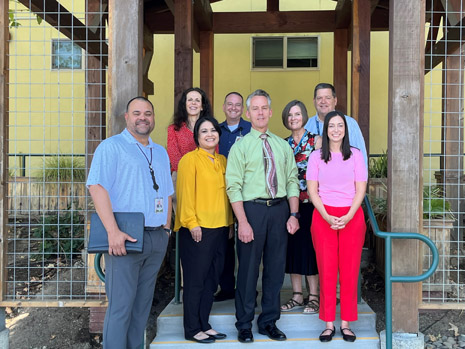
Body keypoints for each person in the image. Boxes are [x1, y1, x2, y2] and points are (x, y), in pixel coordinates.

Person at [87, 96, 173, 349]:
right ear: (127, 117)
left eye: (148, 113)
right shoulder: (111, 147)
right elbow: (97, 187)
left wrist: (166, 230)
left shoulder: (160, 152)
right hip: (124, 238)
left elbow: (167, 193)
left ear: (153, 118)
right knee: (121, 309)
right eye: (137, 113)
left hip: (156, 238)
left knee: (141, 310)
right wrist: (113, 232)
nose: (143, 117)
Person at [226, 89, 300, 343]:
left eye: (264, 108)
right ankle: (244, 324)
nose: (259, 112)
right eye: (254, 108)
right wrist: (243, 222)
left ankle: (269, 321)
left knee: (275, 270)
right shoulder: (241, 147)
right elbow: (233, 186)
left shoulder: (282, 146)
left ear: (270, 111)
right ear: (248, 114)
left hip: (280, 211)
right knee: (247, 271)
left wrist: (293, 214)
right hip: (252, 211)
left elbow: (292, 181)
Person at [307, 110, 367, 343]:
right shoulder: (315, 157)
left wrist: (350, 214)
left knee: (350, 271)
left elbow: (360, 188)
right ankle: (329, 323)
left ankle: (346, 323)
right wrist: (327, 215)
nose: (335, 130)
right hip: (324, 216)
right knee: (327, 270)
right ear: (326, 129)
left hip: (352, 216)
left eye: (339, 125)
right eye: (331, 126)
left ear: (346, 129)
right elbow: (312, 191)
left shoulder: (355, 155)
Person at [175, 116, 233, 344]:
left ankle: (204, 324)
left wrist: (229, 224)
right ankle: (192, 328)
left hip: (220, 229)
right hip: (198, 229)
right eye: (204, 131)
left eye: (213, 130)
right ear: (197, 137)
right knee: (195, 280)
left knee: (211, 281)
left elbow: (227, 196)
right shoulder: (190, 160)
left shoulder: (222, 160)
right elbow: (185, 194)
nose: (210, 134)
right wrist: (191, 222)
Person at [280, 100, 320, 315]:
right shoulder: (283, 144)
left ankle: (313, 296)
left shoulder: (317, 141)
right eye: (290, 114)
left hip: (312, 203)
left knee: (310, 249)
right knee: (293, 249)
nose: (293, 118)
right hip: (290, 204)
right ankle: (296, 295)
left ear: (304, 116)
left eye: (297, 114)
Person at [215, 92, 252, 302]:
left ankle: (247, 288)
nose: (233, 108)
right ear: (224, 107)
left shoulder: (250, 130)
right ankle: (227, 287)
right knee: (224, 241)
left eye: (238, 105)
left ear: (243, 109)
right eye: (230, 104)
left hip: (245, 192)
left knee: (246, 241)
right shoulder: (215, 130)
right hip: (220, 193)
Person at [304, 83, 367, 164]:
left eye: (328, 98)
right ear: (314, 101)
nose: (323, 101)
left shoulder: (350, 123)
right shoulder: (307, 125)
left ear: (335, 101)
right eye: (319, 98)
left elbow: (361, 157)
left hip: (344, 175)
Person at [167, 87, 212, 173]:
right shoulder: (173, 129)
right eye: (190, 100)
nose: (193, 103)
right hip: (181, 175)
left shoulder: (210, 129)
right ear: (184, 105)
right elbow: (174, 159)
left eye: (197, 100)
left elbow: (214, 154)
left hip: (206, 175)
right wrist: (191, 173)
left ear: (202, 106)